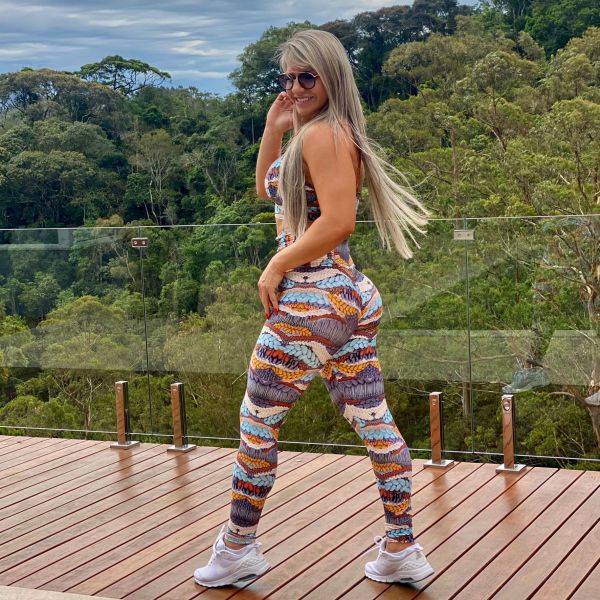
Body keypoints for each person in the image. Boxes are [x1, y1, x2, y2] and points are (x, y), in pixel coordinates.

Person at [194, 29, 434, 588]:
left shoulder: (325, 134)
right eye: (288, 77)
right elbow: (267, 191)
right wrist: (274, 130)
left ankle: (237, 547)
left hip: (311, 299)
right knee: (374, 421)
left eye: (308, 76)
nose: (296, 86)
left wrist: (276, 265)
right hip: (351, 298)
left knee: (257, 425)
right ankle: (401, 547)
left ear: (331, 77)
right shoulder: (323, 133)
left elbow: (339, 222)